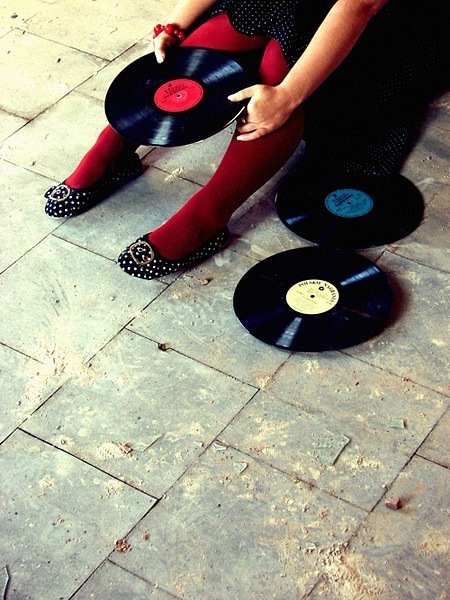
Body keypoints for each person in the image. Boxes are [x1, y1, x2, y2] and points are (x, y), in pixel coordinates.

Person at [44, 0, 448, 280]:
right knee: (222, 31)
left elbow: (357, 6)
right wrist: (176, 26)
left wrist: (287, 96)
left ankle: (207, 216)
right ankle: (113, 148)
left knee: (283, 59)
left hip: (390, 19)